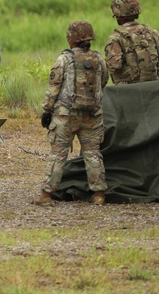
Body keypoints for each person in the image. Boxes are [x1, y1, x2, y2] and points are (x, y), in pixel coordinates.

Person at [34, 21, 108, 206]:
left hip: (65, 115)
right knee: (93, 154)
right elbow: (104, 81)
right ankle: (99, 194)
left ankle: (46, 195)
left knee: (58, 154)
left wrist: (47, 110)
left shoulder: (63, 60)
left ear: (71, 39)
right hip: (92, 114)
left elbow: (54, 88)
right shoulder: (99, 59)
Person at [104, 0, 159, 85]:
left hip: (127, 91)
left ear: (117, 15)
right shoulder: (153, 33)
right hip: (154, 86)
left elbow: (114, 65)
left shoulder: (115, 38)